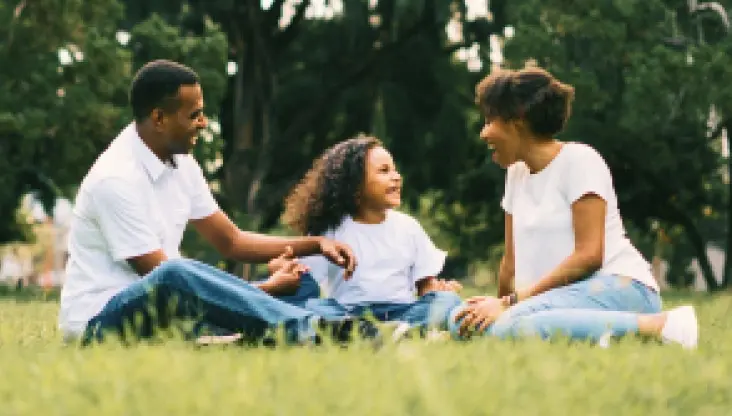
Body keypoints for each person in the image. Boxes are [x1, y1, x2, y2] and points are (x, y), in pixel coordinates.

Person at [58, 60, 357, 345]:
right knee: (174, 272)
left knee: (301, 284)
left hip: (172, 308)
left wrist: (316, 245)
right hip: (103, 322)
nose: (203, 123)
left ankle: (345, 324)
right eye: (194, 115)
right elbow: (166, 281)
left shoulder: (182, 164)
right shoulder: (115, 179)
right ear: (159, 118)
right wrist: (266, 289)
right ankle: (309, 328)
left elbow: (232, 241)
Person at [448, 66, 698, 349]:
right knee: (461, 322)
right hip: (554, 299)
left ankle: (661, 325)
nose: (483, 133)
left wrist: (510, 305)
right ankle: (582, 331)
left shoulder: (580, 161)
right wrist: (496, 307)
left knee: (512, 325)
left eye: (489, 120)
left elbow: (589, 256)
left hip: (620, 286)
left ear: (516, 121)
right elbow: (510, 264)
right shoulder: (515, 175)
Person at [277, 135, 463, 339]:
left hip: (403, 311)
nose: (396, 176)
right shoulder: (330, 231)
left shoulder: (408, 227)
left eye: (395, 169)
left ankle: (396, 330)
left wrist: (438, 294)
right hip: (348, 314)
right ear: (355, 185)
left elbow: (425, 286)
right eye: (384, 171)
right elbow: (305, 281)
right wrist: (285, 269)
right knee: (316, 307)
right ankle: (381, 333)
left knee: (448, 302)